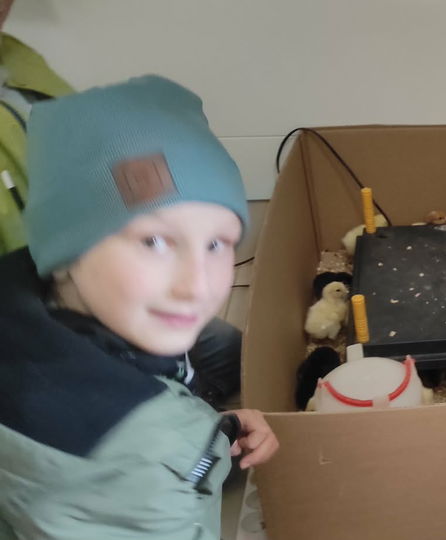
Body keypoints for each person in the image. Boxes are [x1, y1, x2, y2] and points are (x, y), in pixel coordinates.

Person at [0, 75, 278, 539]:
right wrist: (195, 446)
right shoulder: (146, 468)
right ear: (65, 252)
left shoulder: (27, 293)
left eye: (216, 243)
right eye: (154, 241)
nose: (196, 286)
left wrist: (220, 430)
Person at [0, 0, 242, 408]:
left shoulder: (20, 66)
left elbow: (96, 159)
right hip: (41, 326)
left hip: (91, 280)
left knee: (231, 351)